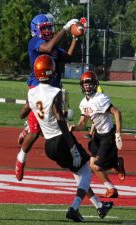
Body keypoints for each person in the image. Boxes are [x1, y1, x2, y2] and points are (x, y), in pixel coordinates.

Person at [20, 55, 113, 222]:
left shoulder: (32, 92)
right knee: (85, 170)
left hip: (48, 144)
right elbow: (60, 119)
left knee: (78, 171)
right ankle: (74, 208)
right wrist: (72, 147)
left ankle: (99, 206)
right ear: (52, 71)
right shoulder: (55, 91)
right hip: (61, 140)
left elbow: (22, 114)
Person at [15, 13, 79, 181]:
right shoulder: (36, 42)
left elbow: (69, 57)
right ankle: (21, 159)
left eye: (49, 27)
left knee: (51, 127)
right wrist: (65, 29)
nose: (48, 31)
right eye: (44, 28)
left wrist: (75, 38)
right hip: (38, 86)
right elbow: (49, 48)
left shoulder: (54, 46)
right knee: (38, 131)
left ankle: (28, 125)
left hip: (54, 89)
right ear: (35, 30)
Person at [69, 71, 126, 198]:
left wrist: (118, 134)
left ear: (95, 84)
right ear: (82, 86)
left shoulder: (101, 98)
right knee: (92, 165)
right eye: (85, 84)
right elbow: (83, 123)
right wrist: (74, 127)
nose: (87, 86)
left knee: (96, 166)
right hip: (98, 136)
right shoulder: (83, 102)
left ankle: (113, 177)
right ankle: (112, 183)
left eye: (90, 83)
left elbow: (117, 113)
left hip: (108, 135)